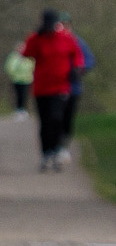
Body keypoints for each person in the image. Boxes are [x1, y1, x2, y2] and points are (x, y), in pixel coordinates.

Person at [20, 10, 85, 170]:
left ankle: (57, 150)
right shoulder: (36, 38)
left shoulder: (66, 38)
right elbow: (26, 53)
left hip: (61, 86)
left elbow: (77, 55)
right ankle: (46, 153)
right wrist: (35, 38)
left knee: (56, 118)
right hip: (41, 88)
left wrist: (77, 67)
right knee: (45, 121)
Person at [58, 21, 95, 145]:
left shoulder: (78, 42)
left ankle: (64, 144)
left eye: (65, 26)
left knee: (68, 117)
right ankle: (53, 145)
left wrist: (79, 70)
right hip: (54, 87)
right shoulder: (50, 42)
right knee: (54, 116)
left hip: (73, 86)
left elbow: (90, 60)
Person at [5, 42, 33, 118]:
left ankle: (23, 110)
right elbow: (10, 67)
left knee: (24, 95)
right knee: (18, 94)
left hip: (27, 79)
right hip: (17, 79)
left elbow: (32, 66)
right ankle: (18, 110)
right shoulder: (14, 57)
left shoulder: (29, 56)